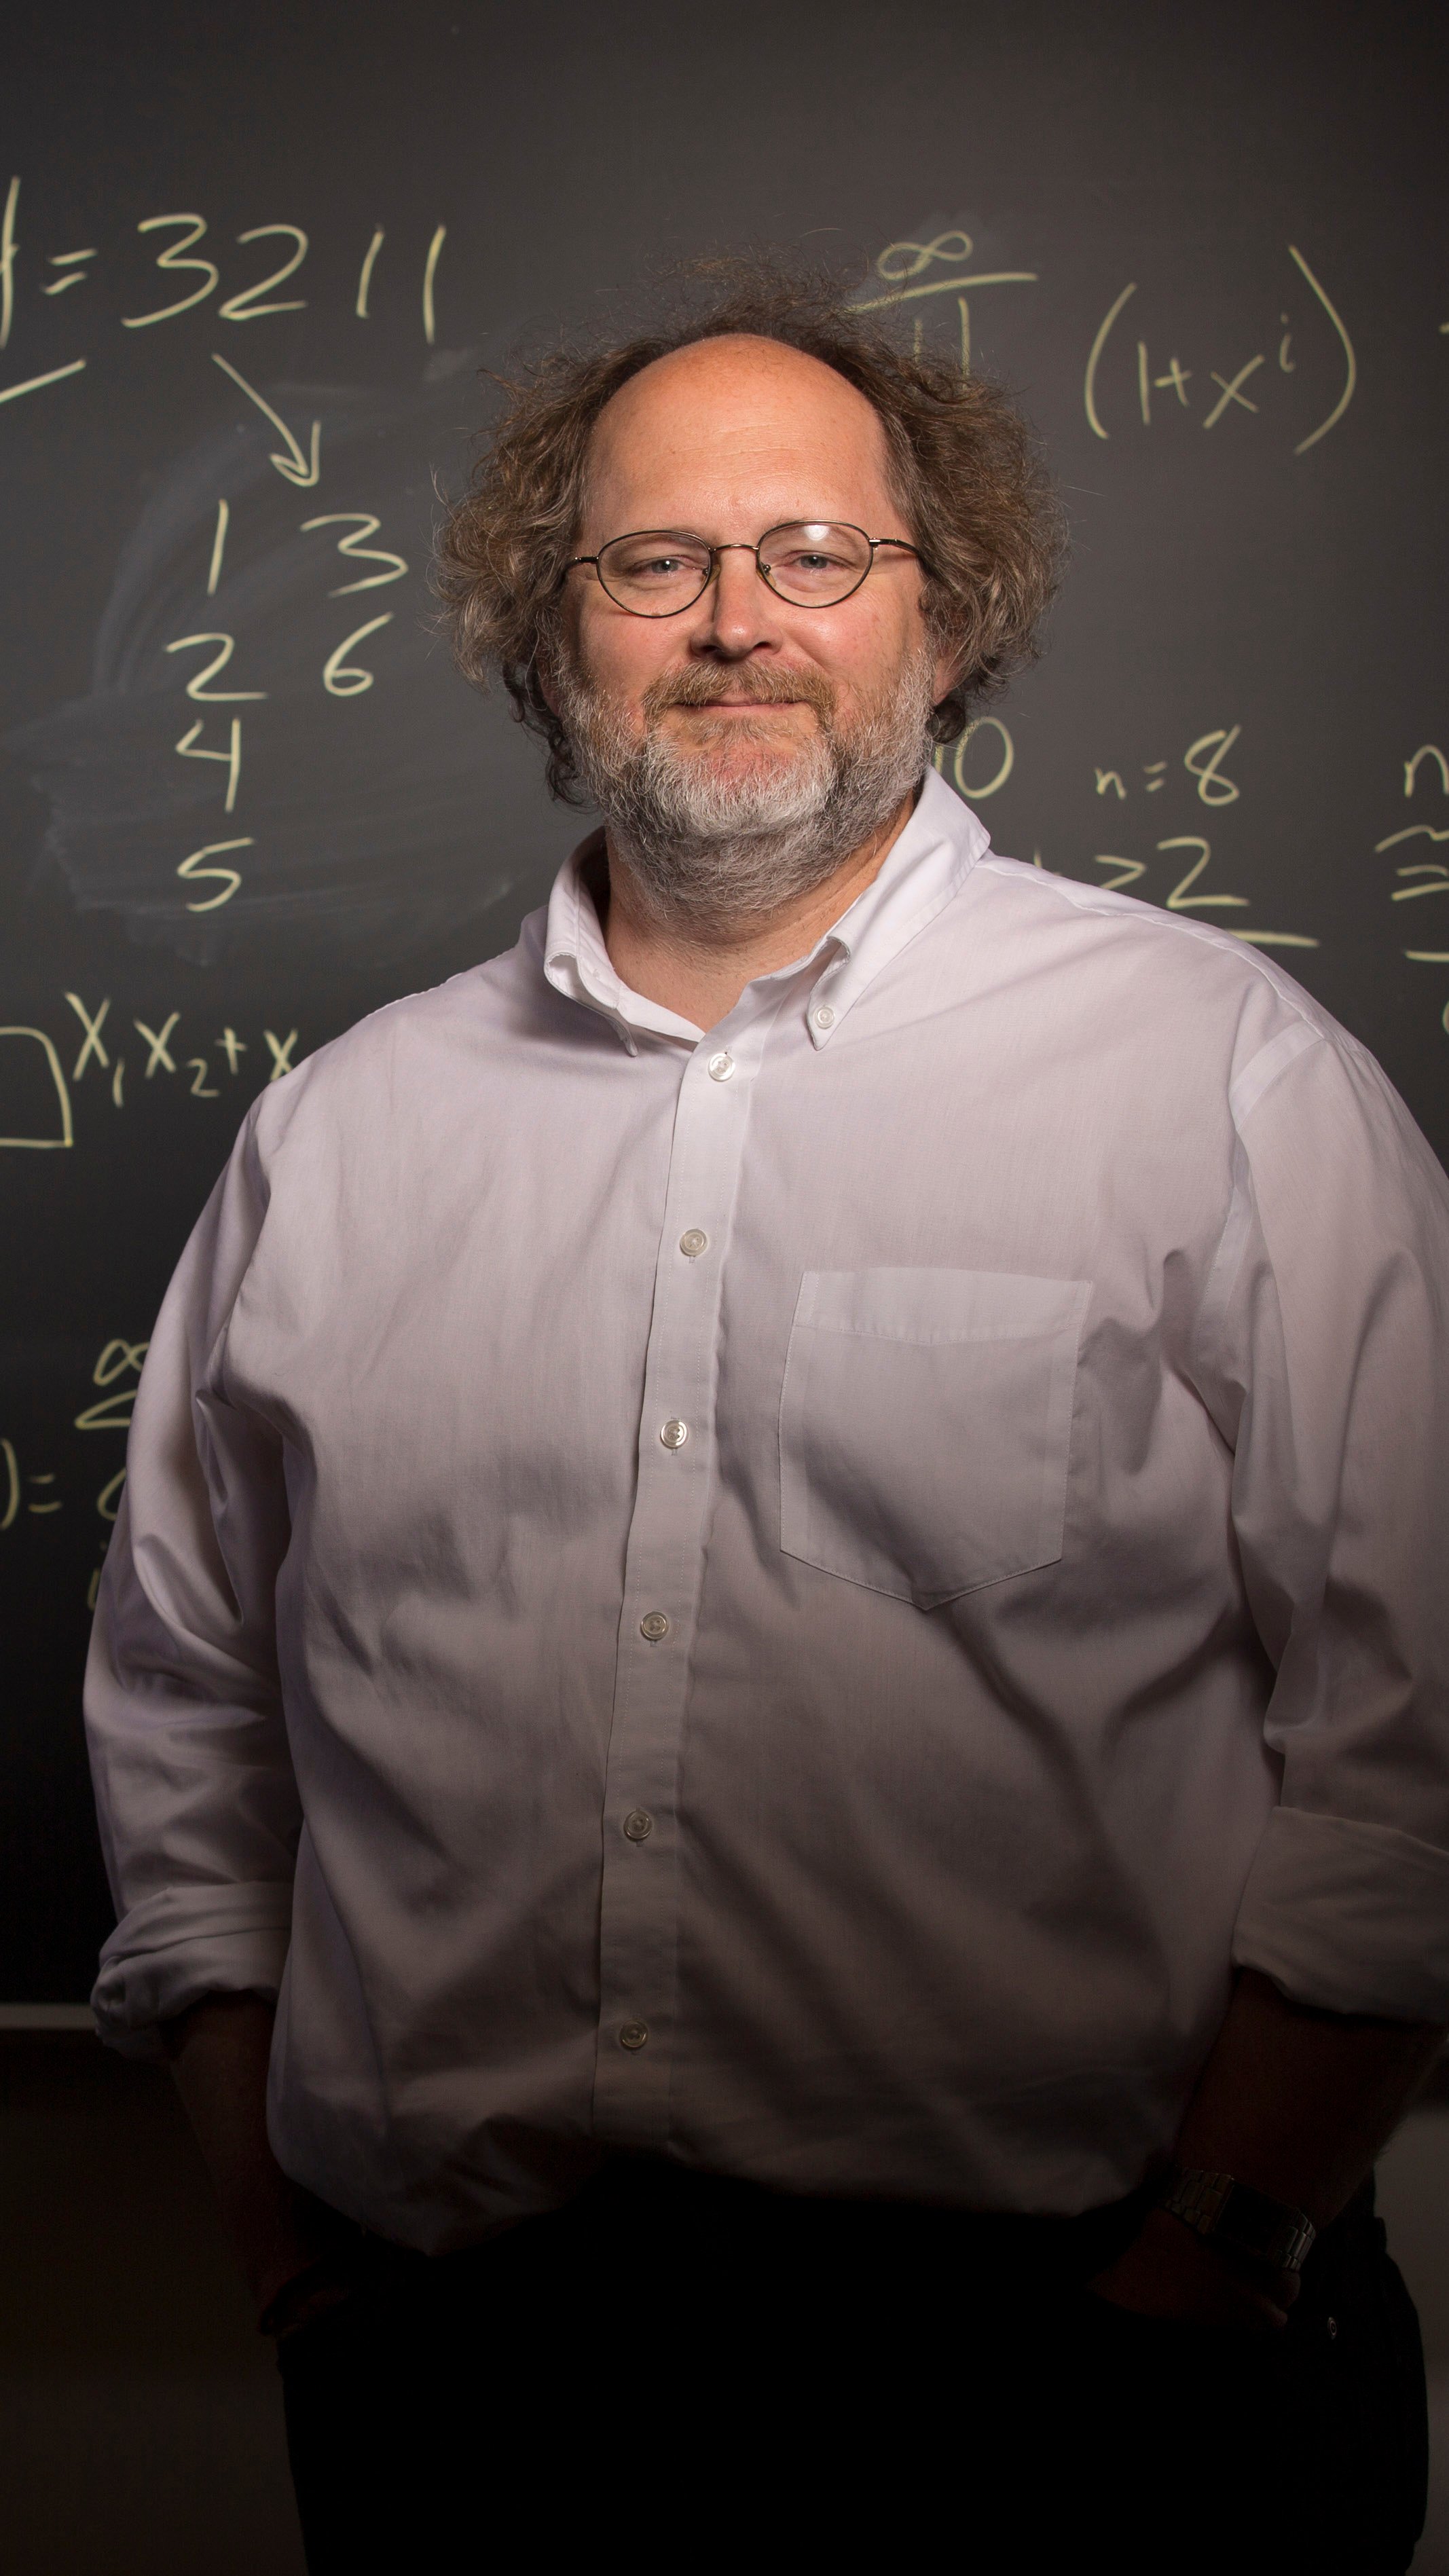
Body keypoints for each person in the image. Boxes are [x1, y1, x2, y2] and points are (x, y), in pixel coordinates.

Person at [85, 264, 1448, 2573]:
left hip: (1087, 2373)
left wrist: (1219, 2245)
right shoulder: (343, 1138)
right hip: (467, 2384)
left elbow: (1419, 1719)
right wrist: (293, 2266)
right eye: (655, 562)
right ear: (554, 623)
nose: (739, 619)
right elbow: (189, 1724)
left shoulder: (1223, 1079)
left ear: (945, 608)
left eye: (815, 554)